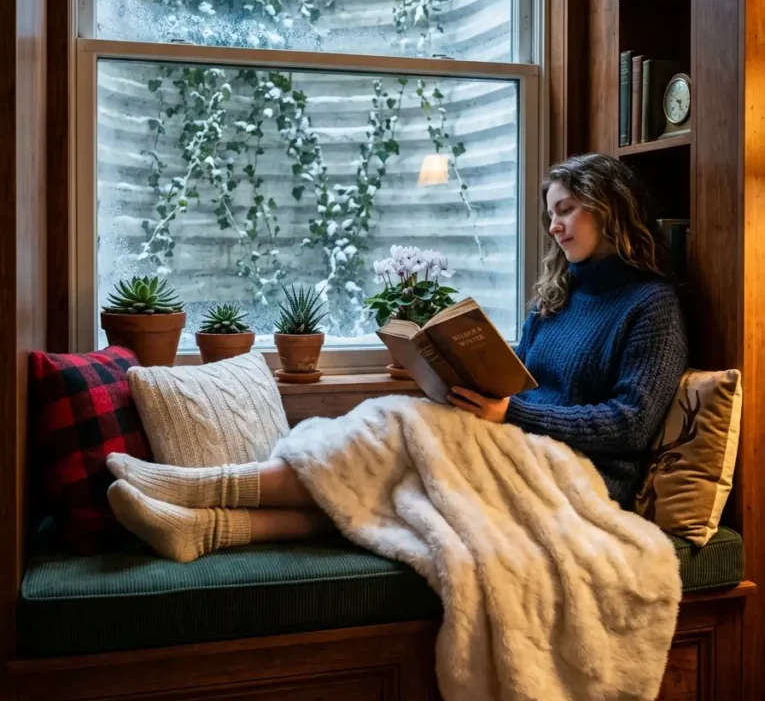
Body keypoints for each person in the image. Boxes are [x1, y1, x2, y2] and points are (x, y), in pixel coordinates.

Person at [107, 152, 688, 562]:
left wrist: (511, 415)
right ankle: (207, 530)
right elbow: (525, 381)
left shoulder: (650, 305)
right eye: (550, 214)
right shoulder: (557, 297)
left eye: (565, 210)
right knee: (385, 486)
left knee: (394, 426)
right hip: (520, 445)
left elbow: (631, 423)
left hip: (584, 478)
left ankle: (200, 485)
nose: (554, 226)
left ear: (607, 208)